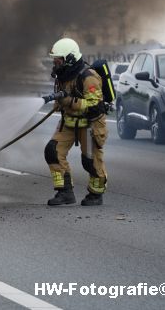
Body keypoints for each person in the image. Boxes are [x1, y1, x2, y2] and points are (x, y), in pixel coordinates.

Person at [43, 38, 108, 206]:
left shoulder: (89, 77)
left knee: (90, 161)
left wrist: (70, 101)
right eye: (55, 59)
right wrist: (60, 102)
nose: (55, 63)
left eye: (58, 59)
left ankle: (96, 194)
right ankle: (65, 192)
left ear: (70, 58)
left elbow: (95, 106)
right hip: (69, 121)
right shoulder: (63, 75)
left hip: (90, 123)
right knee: (52, 151)